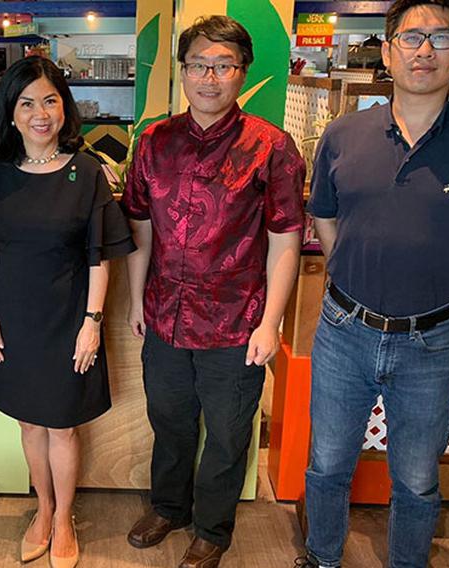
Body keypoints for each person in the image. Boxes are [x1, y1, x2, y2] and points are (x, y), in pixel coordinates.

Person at [299, 1, 449, 567]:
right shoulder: (344, 134)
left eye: (442, 38)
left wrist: (441, 282)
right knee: (327, 463)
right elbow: (325, 220)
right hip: (343, 329)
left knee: (418, 478)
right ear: (389, 48)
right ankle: (323, 557)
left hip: (433, 339)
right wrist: (356, 267)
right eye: (412, 37)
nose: (425, 50)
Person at [121, 15, 306, 568]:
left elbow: (285, 240)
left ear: (241, 73)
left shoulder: (271, 148)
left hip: (237, 323)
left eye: (223, 66)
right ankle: (169, 507)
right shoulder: (153, 141)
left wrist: (271, 321)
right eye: (199, 64)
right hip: (165, 316)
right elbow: (140, 227)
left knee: (227, 433)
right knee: (169, 420)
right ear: (182, 71)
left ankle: (213, 528)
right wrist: (136, 301)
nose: (209, 76)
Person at [0, 55, 135, 568]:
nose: (39, 112)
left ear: (64, 108)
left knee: (63, 427)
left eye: (50, 100)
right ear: (10, 112)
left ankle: (64, 518)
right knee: (29, 424)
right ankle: (43, 509)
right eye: (27, 102)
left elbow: (101, 255)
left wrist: (92, 323)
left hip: (69, 318)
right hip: (14, 317)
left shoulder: (87, 171)